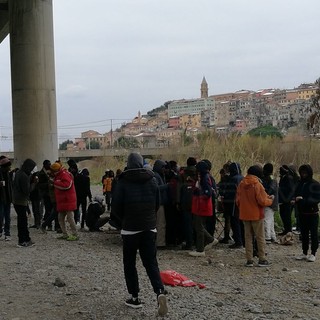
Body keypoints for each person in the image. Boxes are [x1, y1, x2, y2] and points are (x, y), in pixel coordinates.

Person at [112, 153, 168, 316]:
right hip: (149, 227)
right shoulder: (152, 180)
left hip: (130, 229)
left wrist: (123, 221)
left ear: (129, 165)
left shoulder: (122, 182)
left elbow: (115, 206)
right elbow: (157, 203)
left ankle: (134, 297)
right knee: (151, 262)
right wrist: (149, 218)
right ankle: (159, 292)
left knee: (130, 263)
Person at [236, 165, 274, 267]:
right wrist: (270, 200)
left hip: (245, 214)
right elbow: (262, 201)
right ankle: (262, 259)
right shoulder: (257, 184)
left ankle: (249, 260)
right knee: (260, 237)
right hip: (256, 214)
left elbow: (238, 200)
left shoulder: (241, 184)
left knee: (248, 237)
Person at [189, 160, 218, 257]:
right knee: (198, 225)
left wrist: (198, 193)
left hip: (202, 206)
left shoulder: (205, 178)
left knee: (199, 227)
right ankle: (210, 239)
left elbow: (207, 193)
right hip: (200, 206)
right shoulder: (204, 177)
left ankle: (200, 249)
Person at [294, 164, 320, 262]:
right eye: (302, 172)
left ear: (309, 172)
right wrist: (294, 199)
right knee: (303, 234)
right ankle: (304, 252)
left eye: (305, 172)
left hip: (312, 213)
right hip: (302, 213)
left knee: (313, 234)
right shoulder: (300, 183)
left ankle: (313, 253)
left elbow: (317, 198)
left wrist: (303, 200)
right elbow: (295, 193)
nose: (303, 174)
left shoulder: (315, 184)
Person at [50, 162, 79, 241]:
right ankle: (65, 234)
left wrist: (54, 183)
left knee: (70, 218)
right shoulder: (59, 174)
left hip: (68, 200)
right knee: (60, 217)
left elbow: (67, 185)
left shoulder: (64, 174)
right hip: (63, 201)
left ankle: (75, 234)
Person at [12, 158, 37, 247]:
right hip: (21, 201)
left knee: (22, 220)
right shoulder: (23, 176)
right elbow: (27, 190)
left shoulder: (19, 173)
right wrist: (34, 183)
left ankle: (26, 239)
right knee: (22, 222)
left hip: (17, 200)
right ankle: (22, 240)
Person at [262, 163, 278, 243]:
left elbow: (270, 189)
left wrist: (266, 193)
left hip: (269, 202)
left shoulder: (270, 178)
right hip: (273, 202)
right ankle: (272, 236)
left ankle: (267, 237)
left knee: (266, 220)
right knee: (270, 220)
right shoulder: (271, 178)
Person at [278, 165, 295, 235]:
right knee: (282, 214)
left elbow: (291, 189)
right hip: (282, 199)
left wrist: (292, 198)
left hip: (287, 200)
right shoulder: (283, 177)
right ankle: (286, 229)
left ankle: (288, 230)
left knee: (287, 216)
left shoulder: (289, 178)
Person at [0, 156, 13, 241]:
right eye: (8, 166)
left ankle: (7, 233)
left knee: (7, 217)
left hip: (8, 199)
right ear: (4, 166)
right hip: (1, 199)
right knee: (0, 216)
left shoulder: (8, 174)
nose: (10, 167)